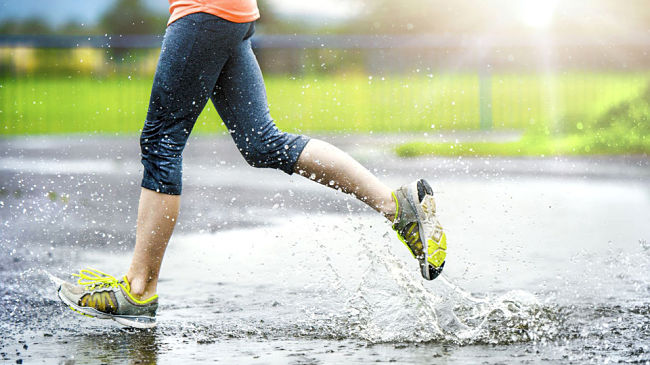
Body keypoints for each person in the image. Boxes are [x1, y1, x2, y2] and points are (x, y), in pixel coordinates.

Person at [57, 0, 447, 329]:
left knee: (162, 141)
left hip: (204, 11)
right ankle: (398, 206)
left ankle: (138, 289)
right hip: (231, 14)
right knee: (261, 142)